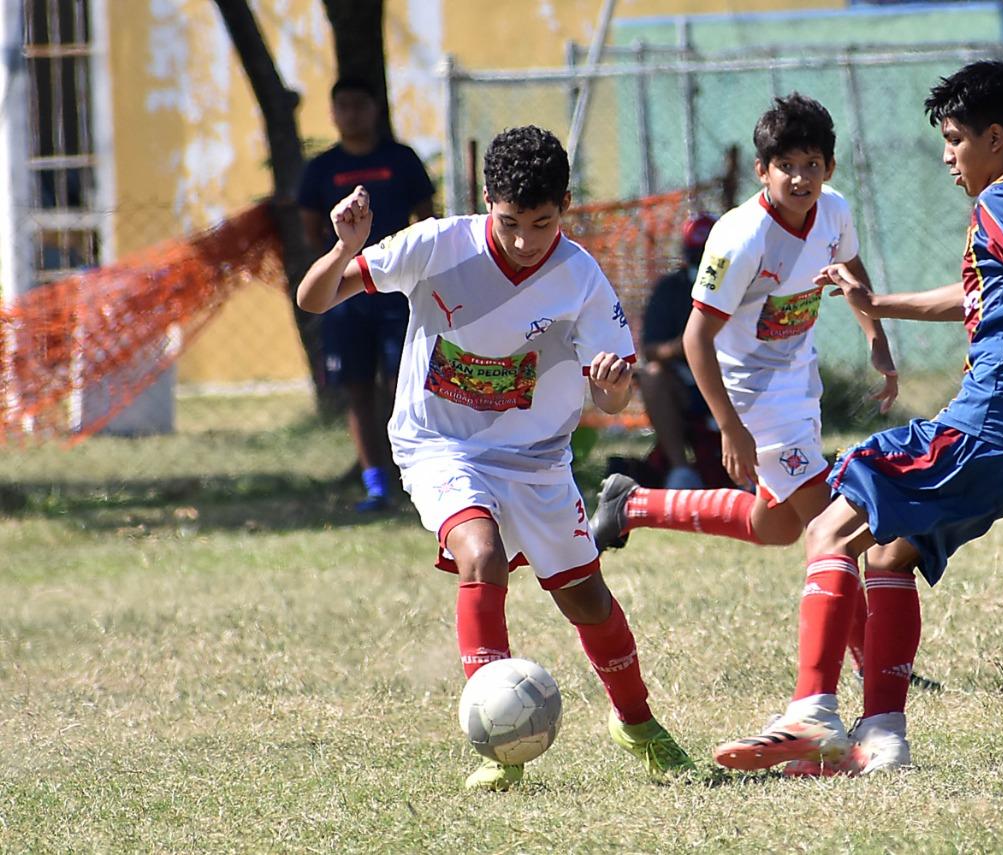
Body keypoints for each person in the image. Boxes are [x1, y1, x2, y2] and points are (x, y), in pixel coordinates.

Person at [711, 60, 1003, 778]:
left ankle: (811, 713)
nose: (947, 157)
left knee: (829, 523)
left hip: (984, 427)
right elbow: (974, 297)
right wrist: (878, 305)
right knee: (890, 553)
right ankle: (882, 742)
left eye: (954, 139)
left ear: (995, 139)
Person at [296, 125, 695, 792]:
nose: (522, 241)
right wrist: (344, 248)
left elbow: (611, 394)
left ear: (565, 205)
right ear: (487, 201)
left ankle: (637, 721)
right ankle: (497, 744)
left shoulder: (580, 279)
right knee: (478, 552)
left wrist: (613, 382)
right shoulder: (437, 245)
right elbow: (313, 298)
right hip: (439, 443)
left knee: (587, 599)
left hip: (537, 457)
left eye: (541, 224)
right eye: (509, 223)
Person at [590, 92, 898, 678]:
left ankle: (635, 503)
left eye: (812, 164)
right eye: (787, 166)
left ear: (829, 168)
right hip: (752, 395)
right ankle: (872, 663)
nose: (801, 178)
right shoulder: (741, 237)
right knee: (829, 521)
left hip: (795, 380)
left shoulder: (834, 211)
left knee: (775, 525)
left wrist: (876, 338)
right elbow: (694, 340)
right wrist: (731, 426)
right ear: (763, 172)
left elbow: (852, 271)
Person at [297, 77, 436, 512]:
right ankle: (374, 483)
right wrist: (342, 258)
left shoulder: (401, 159)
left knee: (404, 384)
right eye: (343, 106)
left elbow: (426, 219)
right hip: (347, 298)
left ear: (376, 109)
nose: (352, 114)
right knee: (357, 388)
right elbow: (310, 230)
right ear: (333, 113)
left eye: (361, 104)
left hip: (399, 295)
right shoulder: (321, 169)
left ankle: (414, 474)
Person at [634, 212, 721, 489]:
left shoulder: (742, 283)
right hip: (687, 381)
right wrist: (687, 345)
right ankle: (680, 470)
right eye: (698, 255)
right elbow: (650, 350)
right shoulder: (671, 288)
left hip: (733, 376)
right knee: (652, 376)